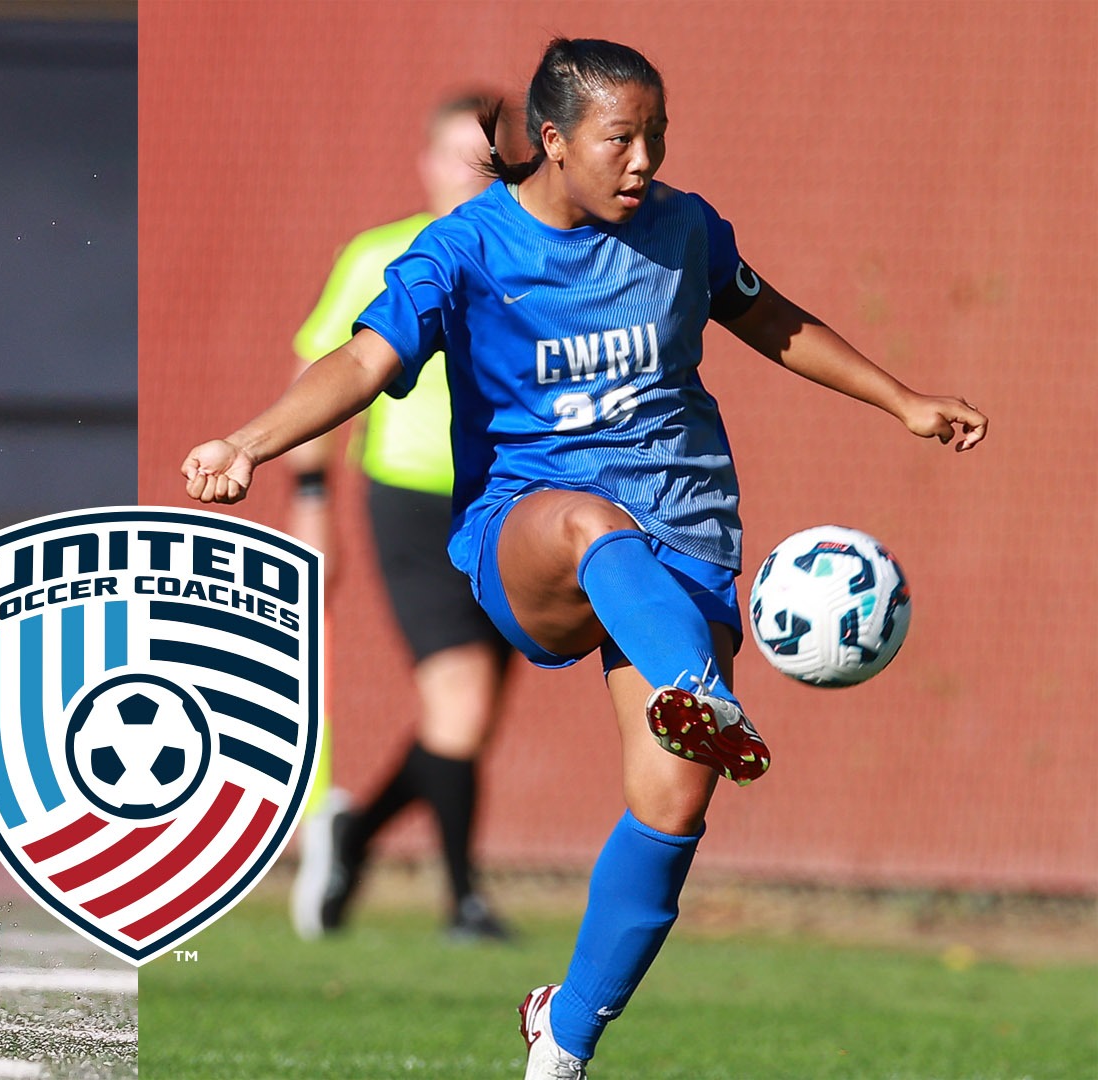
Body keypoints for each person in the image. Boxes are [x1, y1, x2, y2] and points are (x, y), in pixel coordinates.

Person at [182, 38, 985, 1078]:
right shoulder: (466, 248)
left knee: (672, 809)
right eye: (621, 139)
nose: (644, 159)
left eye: (658, 134)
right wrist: (248, 443)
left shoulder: (684, 229)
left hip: (684, 533)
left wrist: (903, 400)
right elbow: (365, 357)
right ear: (554, 141)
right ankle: (695, 688)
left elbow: (770, 317)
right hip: (529, 528)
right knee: (588, 525)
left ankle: (562, 1037)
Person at [285, 93, 518, 945]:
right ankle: (463, 901)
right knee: (461, 700)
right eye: (457, 153)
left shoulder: (538, 254)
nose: (472, 172)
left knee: (468, 719)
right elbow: (325, 374)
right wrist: (313, 504)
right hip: (415, 502)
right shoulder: (382, 255)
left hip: (511, 500)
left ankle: (355, 834)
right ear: (425, 164)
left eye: (489, 156)